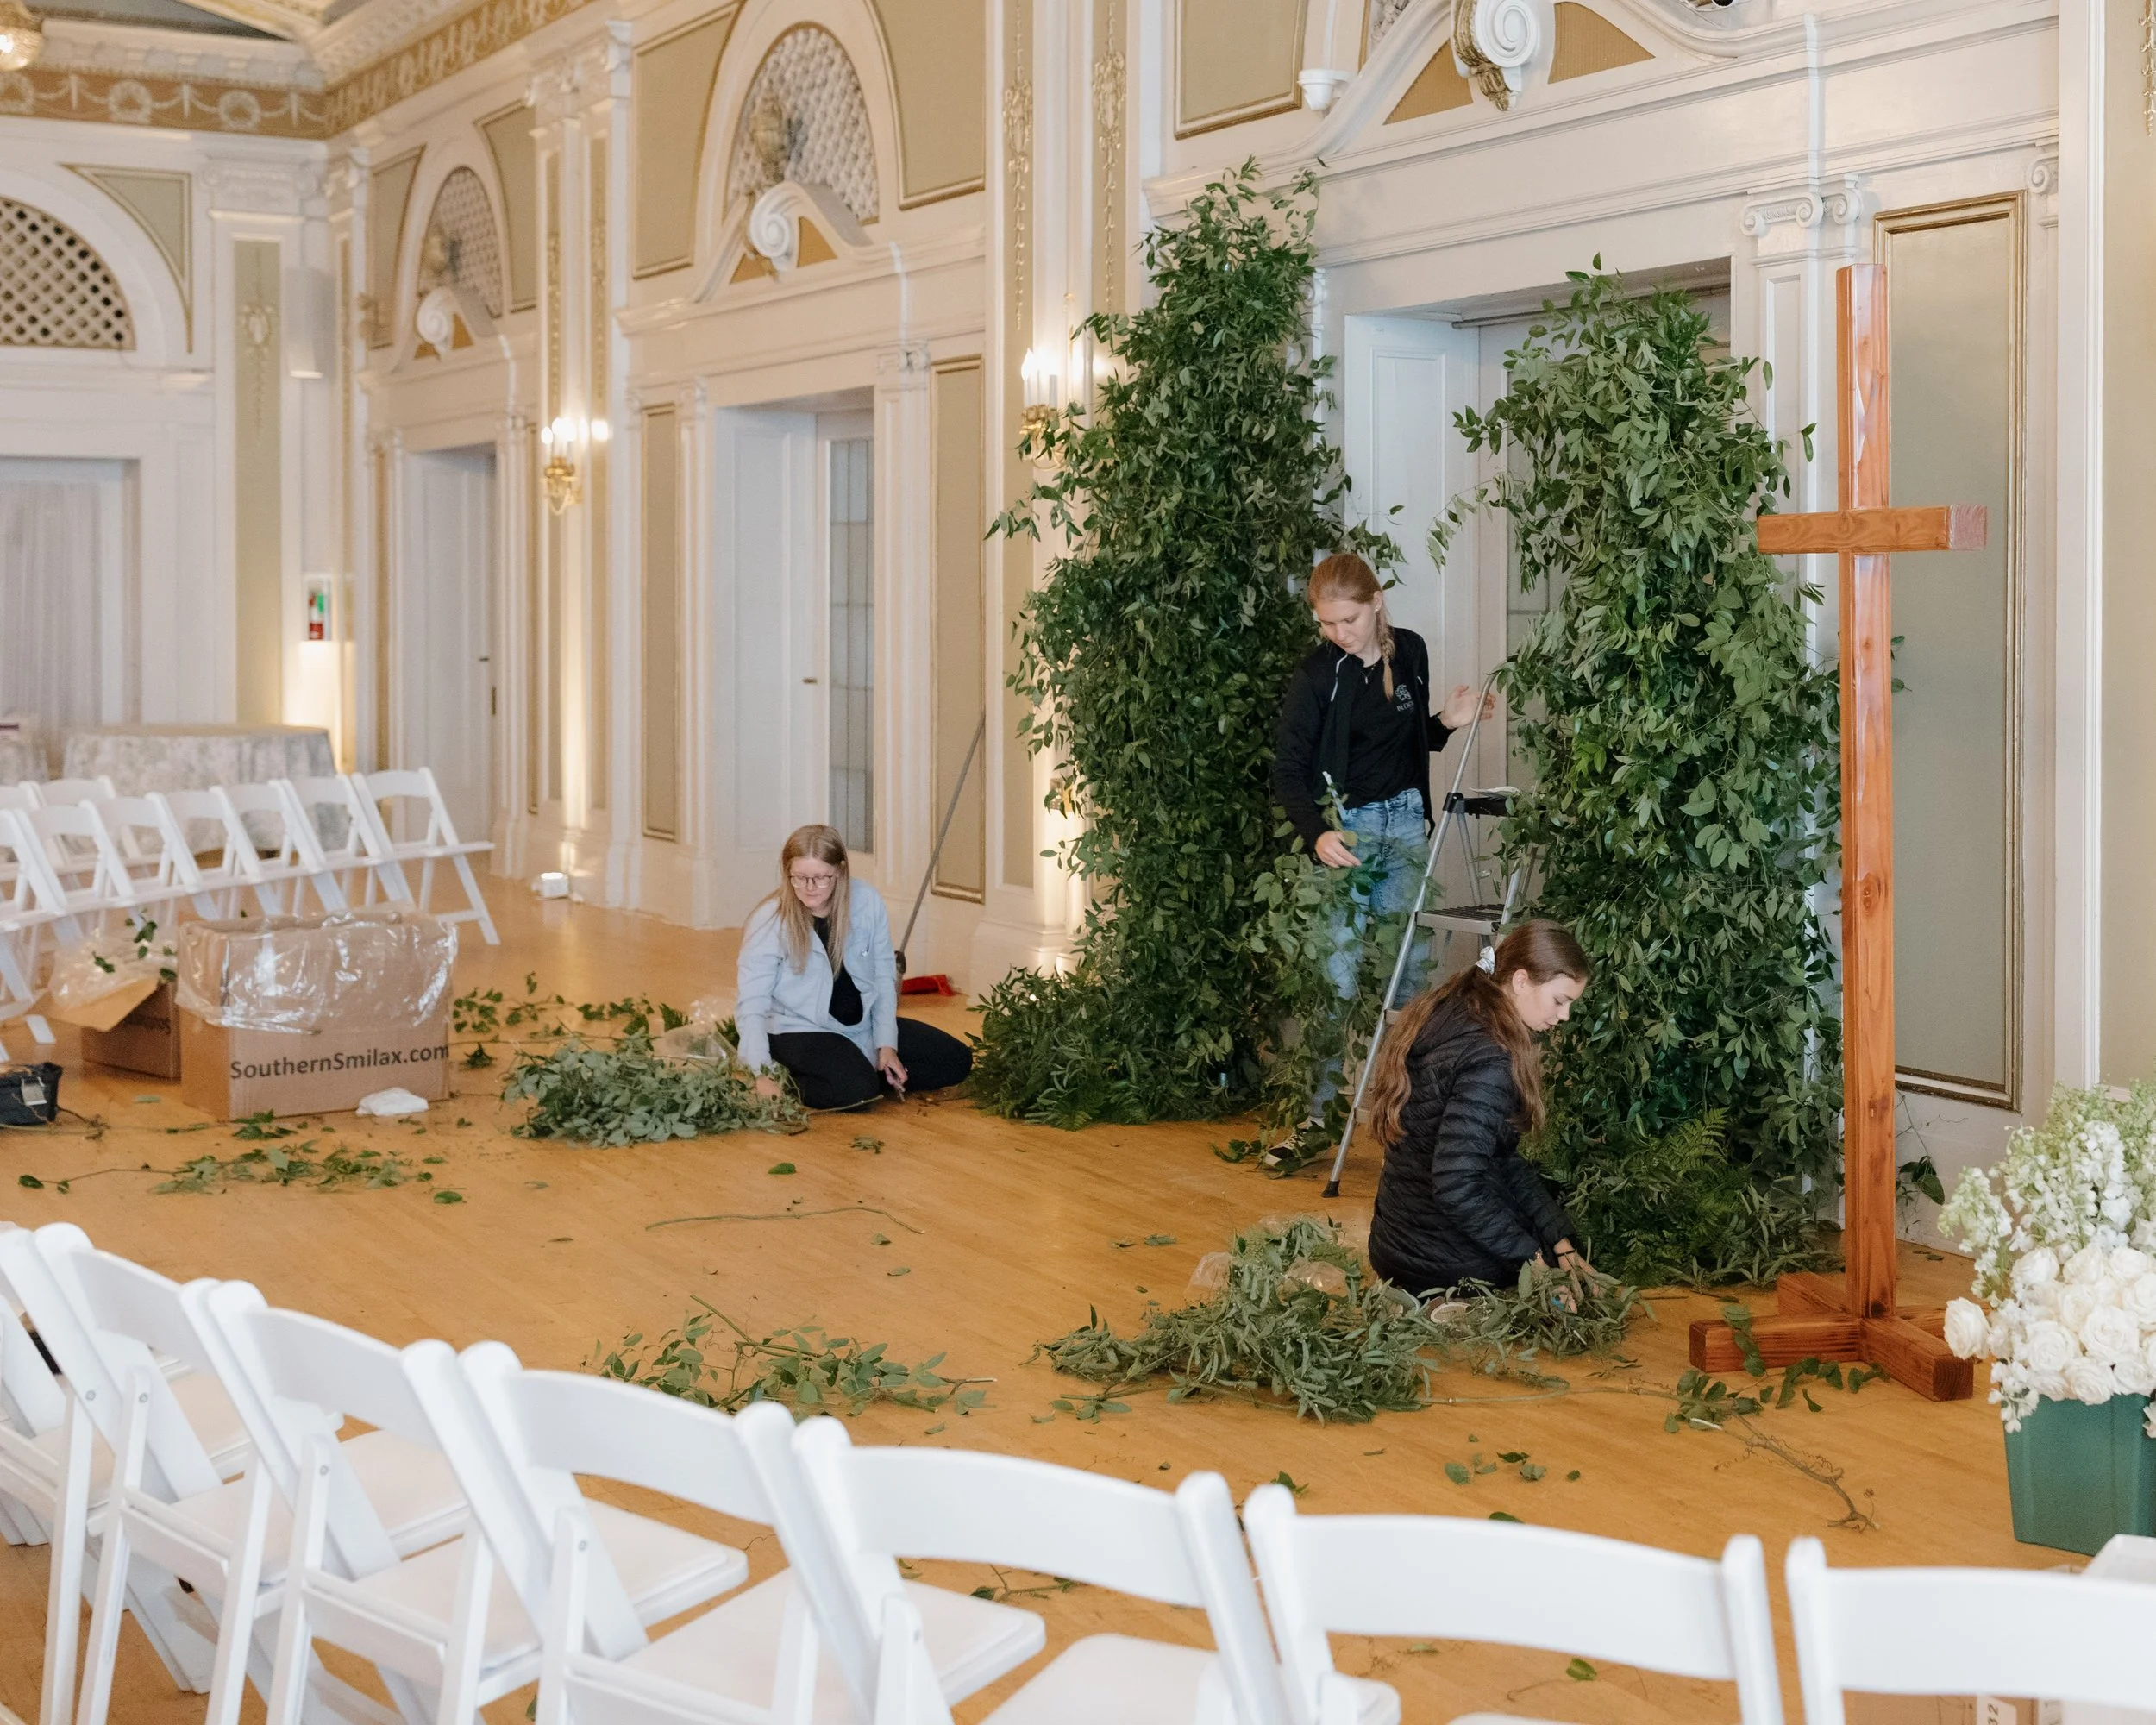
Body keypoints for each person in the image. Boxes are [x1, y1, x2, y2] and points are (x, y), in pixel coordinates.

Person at [1269, 551, 1495, 1135]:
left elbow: (1412, 742)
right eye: (1327, 623)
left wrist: (1448, 720)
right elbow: (1288, 771)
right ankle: (1316, 1119)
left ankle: (1404, 1117)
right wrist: (1317, 834)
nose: (1338, 633)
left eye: (1348, 620)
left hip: (1407, 826)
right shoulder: (1318, 675)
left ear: (1376, 603)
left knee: (1410, 977)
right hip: (1349, 833)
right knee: (1337, 979)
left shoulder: (1410, 651)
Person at [1363, 919, 1598, 1298]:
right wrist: (1535, 1261)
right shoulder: (1491, 1059)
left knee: (1544, 1235)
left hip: (1393, 1244)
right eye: (1560, 1000)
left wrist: (1559, 1239)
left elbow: (1499, 1157)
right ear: (1521, 980)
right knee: (1534, 1248)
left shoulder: (1451, 1007)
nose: (1565, 1016)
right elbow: (1457, 1186)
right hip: (1440, 1266)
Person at [736, 825, 973, 1110]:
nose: (810, 888)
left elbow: (884, 977)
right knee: (857, 1091)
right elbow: (752, 1004)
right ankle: (798, 1078)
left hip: (861, 1028)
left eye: (821, 878)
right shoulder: (768, 921)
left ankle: (865, 1072)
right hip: (798, 1030)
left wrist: (886, 1044)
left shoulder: (867, 901)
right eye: (799, 878)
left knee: (956, 1060)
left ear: (840, 871)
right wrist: (761, 1074)